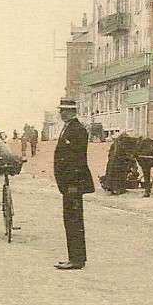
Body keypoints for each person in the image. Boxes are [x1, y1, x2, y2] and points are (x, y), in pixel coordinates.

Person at [53, 98, 95, 270]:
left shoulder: (77, 130)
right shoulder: (68, 128)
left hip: (73, 184)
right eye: (61, 110)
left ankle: (77, 259)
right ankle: (74, 257)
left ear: (72, 112)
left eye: (64, 111)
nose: (61, 113)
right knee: (70, 220)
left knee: (74, 220)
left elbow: (78, 160)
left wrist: (72, 184)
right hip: (68, 184)